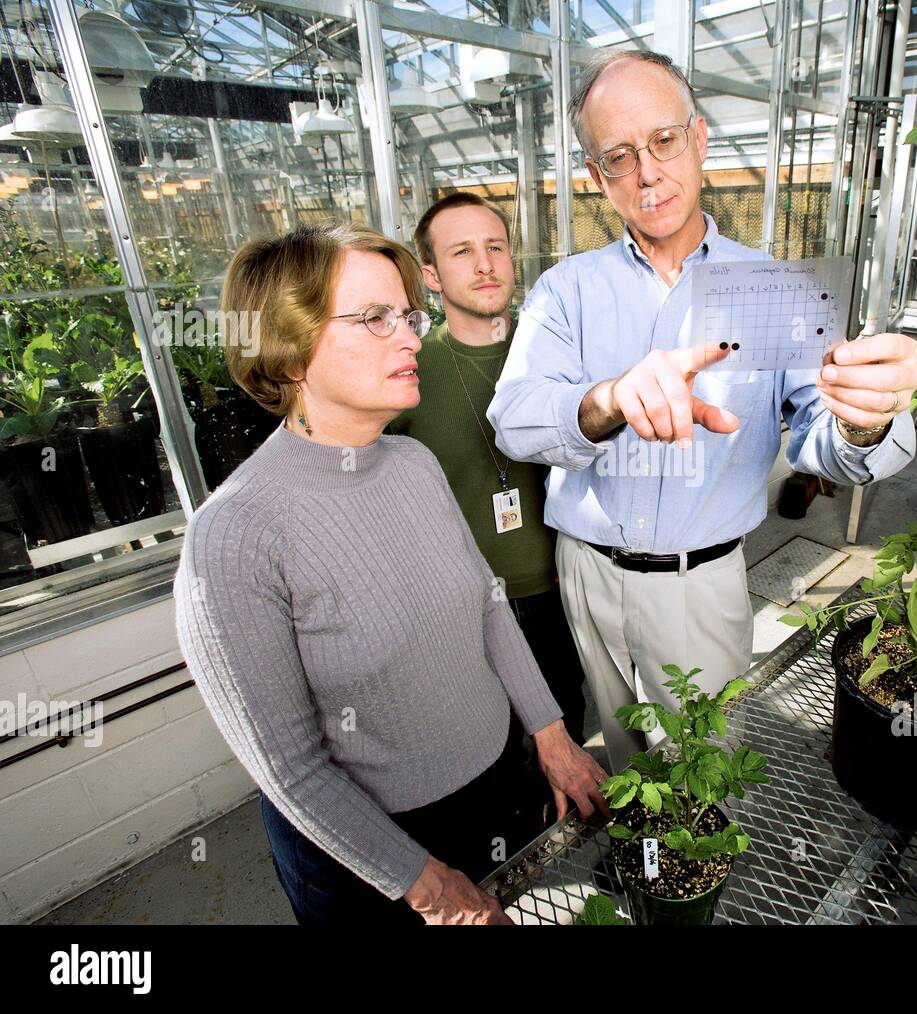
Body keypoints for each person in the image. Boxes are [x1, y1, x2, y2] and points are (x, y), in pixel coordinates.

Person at [486, 50, 917, 773]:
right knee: (627, 758)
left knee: (703, 771)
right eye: (619, 156)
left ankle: (690, 884)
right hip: (588, 575)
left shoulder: (776, 289)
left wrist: (863, 417)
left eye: (662, 141)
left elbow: (826, 436)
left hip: (702, 584)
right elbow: (515, 418)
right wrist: (607, 401)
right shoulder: (566, 291)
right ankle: (644, 876)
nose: (647, 172)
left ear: (699, 140)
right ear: (598, 179)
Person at [173, 223, 607, 926]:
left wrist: (551, 736)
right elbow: (290, 768)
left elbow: (488, 606)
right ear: (287, 351)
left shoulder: (413, 464)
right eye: (375, 319)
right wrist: (427, 886)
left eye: (408, 315)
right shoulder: (235, 536)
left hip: (497, 786)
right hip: (376, 854)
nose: (410, 337)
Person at [390, 193, 587, 754]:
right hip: (466, 609)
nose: (485, 264)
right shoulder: (408, 374)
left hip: (562, 590)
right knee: (491, 752)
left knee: (567, 731)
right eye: (462, 252)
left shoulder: (556, 354)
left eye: (495, 247)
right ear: (430, 275)